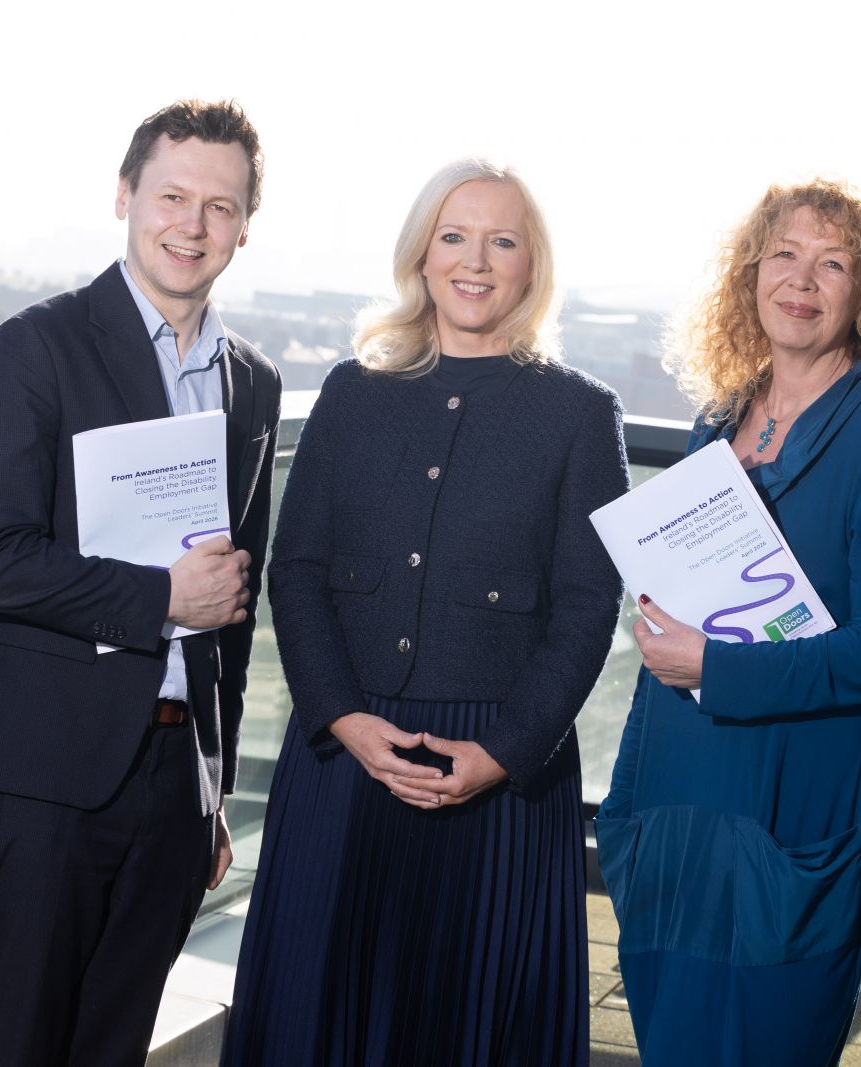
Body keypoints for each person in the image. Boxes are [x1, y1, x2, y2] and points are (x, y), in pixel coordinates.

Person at [219, 159, 629, 1067]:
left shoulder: (580, 414)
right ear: (422, 254)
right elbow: (299, 571)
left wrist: (503, 752)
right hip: (344, 757)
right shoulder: (352, 392)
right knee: (313, 1021)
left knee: (468, 1026)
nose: (475, 261)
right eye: (454, 236)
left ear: (532, 267)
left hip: (498, 773)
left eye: (502, 241)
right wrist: (340, 717)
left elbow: (589, 609)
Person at [0, 99, 281, 1067]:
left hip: (174, 792)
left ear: (245, 226)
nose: (192, 224)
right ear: (125, 196)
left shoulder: (252, 383)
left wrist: (213, 790)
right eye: (172, 195)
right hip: (38, 778)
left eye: (220, 206)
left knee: (110, 1049)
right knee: (6, 1046)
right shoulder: (40, 344)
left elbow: (233, 612)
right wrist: (159, 597)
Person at [596, 180, 861, 1065]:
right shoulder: (716, 421)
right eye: (785, 255)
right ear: (751, 275)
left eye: (831, 263)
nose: (802, 279)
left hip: (788, 810)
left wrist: (717, 669)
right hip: (675, 799)